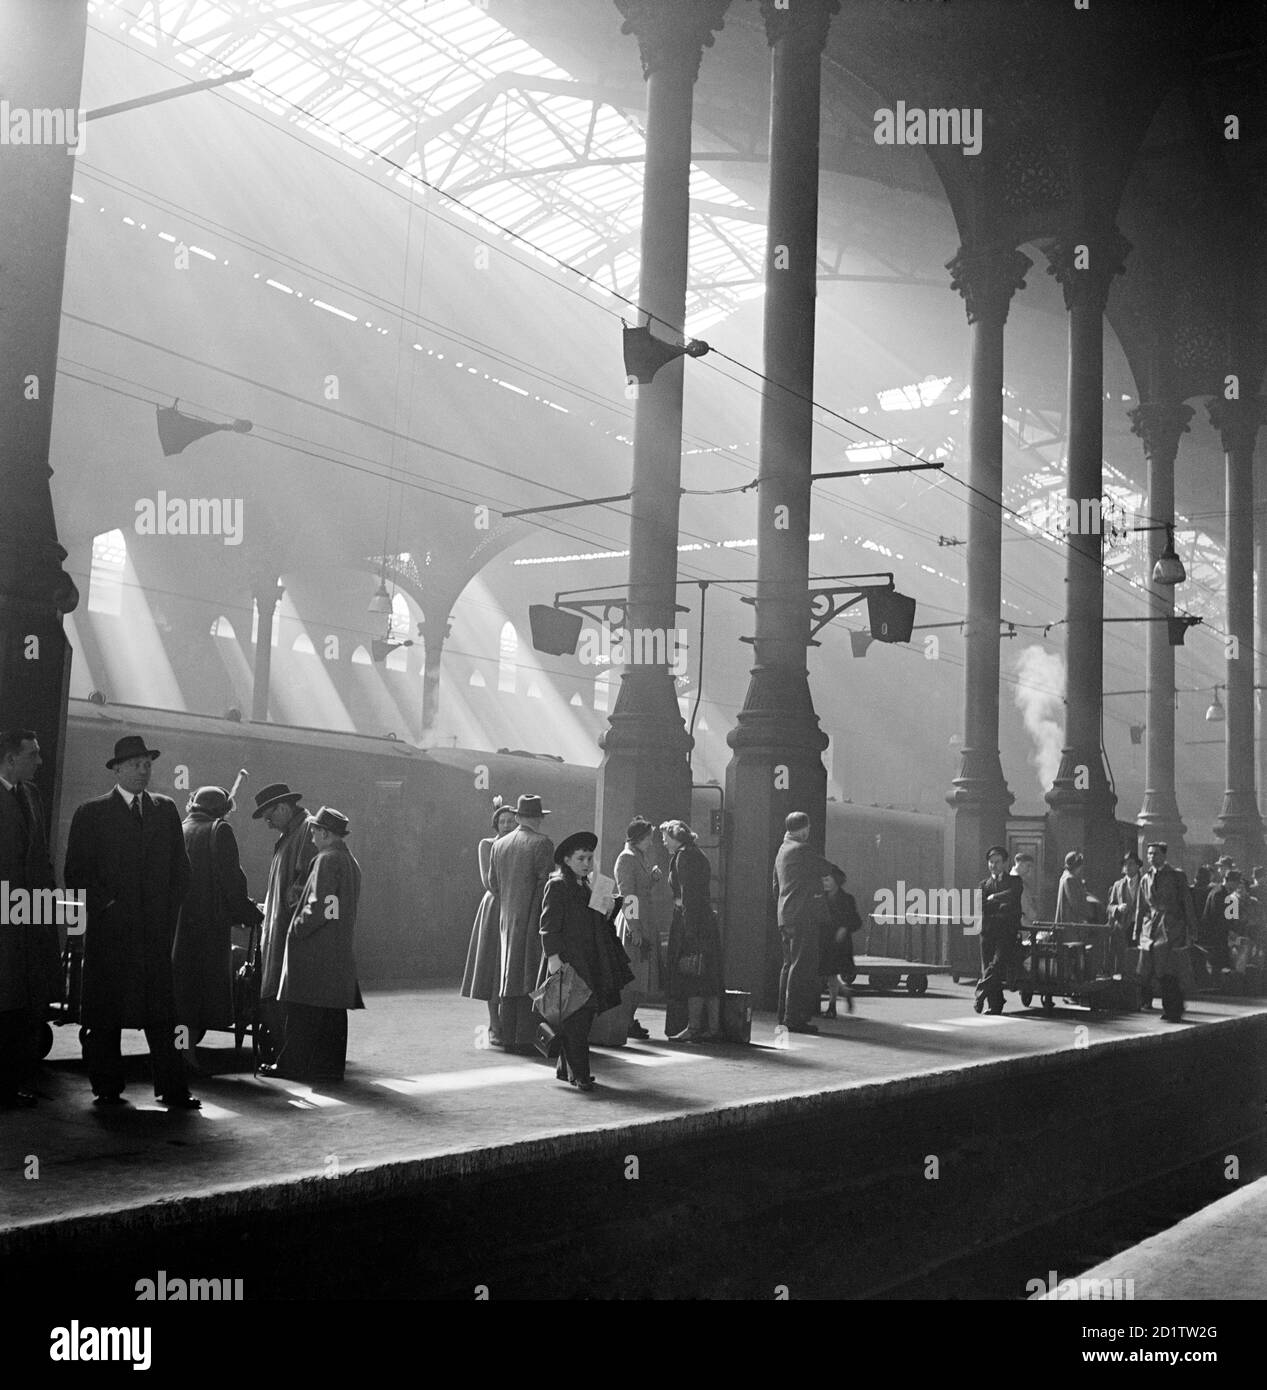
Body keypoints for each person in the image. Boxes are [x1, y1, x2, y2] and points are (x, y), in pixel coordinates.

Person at [63, 734, 198, 1108]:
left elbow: (181, 871)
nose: (144, 770)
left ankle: (174, 1089)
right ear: (118, 768)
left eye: (148, 764)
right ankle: (107, 1089)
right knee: (105, 1015)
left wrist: (165, 913)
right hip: (111, 935)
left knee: (163, 1016)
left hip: (153, 935)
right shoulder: (92, 813)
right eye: (136, 764)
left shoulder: (165, 810)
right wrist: (107, 906)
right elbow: (76, 874)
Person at [264, 807, 364, 1081]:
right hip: (336, 947)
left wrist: (297, 928)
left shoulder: (326, 860)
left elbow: (320, 904)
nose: (311, 838)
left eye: (316, 832)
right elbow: (334, 907)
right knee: (331, 1013)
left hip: (315, 950)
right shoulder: (347, 860)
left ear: (325, 833)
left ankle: (291, 1066)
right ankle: (329, 1068)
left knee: (301, 1012)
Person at [173, 786, 262, 1073]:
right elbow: (231, 881)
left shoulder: (182, 827)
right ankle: (184, 1055)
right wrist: (250, 913)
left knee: (181, 992)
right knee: (198, 994)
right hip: (207, 927)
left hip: (177, 925)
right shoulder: (219, 831)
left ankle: (178, 1050)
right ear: (222, 809)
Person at [540, 831, 633, 1091]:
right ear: (567, 860)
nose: (586, 864)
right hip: (569, 961)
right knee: (576, 1020)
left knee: (578, 1017)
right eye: (581, 858)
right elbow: (547, 926)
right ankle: (581, 1075)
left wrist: (610, 905)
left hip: (587, 960)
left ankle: (566, 1070)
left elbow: (595, 920)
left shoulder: (586, 884)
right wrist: (554, 959)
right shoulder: (557, 885)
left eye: (590, 858)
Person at [0, 729, 61, 1108]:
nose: (39, 761)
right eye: (32, 754)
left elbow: (40, 857)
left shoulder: (32, 796)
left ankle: (11, 1083)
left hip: (30, 916)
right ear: (10, 759)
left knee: (22, 1003)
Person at [253, 782, 316, 1064]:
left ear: (283, 807)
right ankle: (286, 1055)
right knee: (279, 995)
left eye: (269, 817)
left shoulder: (307, 830)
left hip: (291, 931)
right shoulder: (292, 833)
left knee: (289, 997)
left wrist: (286, 911)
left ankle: (291, 1058)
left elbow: (306, 883)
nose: (267, 824)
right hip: (280, 928)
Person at [488, 794, 554, 1051]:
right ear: (538, 818)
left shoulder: (499, 845)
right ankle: (526, 1038)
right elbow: (546, 886)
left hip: (506, 918)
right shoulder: (542, 844)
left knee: (508, 975)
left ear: (517, 817)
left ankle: (507, 1036)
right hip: (533, 918)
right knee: (530, 976)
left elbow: (493, 884)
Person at [460, 800, 519, 1043]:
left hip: (515, 906)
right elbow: (489, 882)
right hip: (495, 907)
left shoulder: (519, 846)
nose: (506, 825)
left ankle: (509, 1023)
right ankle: (494, 1024)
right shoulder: (487, 845)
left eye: (510, 821)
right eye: (501, 821)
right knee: (491, 965)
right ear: (495, 824)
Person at [772, 811, 831, 1035]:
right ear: (805, 828)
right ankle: (794, 1018)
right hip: (802, 915)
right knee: (801, 967)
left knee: (788, 966)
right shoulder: (802, 849)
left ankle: (783, 1015)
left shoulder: (781, 851)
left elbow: (775, 887)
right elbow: (825, 868)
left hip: (785, 915)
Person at [664, 819, 723, 1041]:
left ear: (675, 838)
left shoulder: (682, 857)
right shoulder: (698, 854)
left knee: (692, 974)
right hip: (706, 920)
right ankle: (714, 1028)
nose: (663, 842)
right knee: (709, 974)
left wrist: (688, 929)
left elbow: (687, 894)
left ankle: (694, 1027)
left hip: (690, 921)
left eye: (665, 837)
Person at [613, 816, 668, 1040]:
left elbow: (640, 889)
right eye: (648, 839)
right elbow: (628, 896)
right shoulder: (626, 859)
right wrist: (634, 927)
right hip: (634, 922)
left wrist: (652, 878)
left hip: (645, 919)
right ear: (637, 839)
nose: (651, 843)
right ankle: (624, 1020)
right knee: (633, 975)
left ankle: (628, 1019)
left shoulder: (639, 857)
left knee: (642, 975)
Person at [1135, 841, 1197, 1022]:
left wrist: (1191, 930)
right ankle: (1166, 1007)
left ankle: (1174, 1010)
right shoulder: (1145, 878)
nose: (1152, 857)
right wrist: (1137, 931)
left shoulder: (1177, 876)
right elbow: (1141, 907)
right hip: (1152, 929)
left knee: (1171, 970)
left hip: (1172, 927)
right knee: (1153, 970)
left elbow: (1187, 903)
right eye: (1149, 854)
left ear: (1164, 856)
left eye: (1155, 854)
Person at [974, 845, 1022, 1015]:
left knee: (997, 964)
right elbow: (980, 906)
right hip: (987, 933)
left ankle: (980, 991)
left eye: (997, 862)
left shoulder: (1015, 881)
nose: (993, 865)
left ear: (1005, 863)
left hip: (1006, 933)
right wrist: (1000, 905)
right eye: (991, 862)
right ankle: (995, 1005)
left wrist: (994, 898)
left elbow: (1013, 895)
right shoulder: (983, 884)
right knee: (987, 965)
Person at [818, 863, 859, 1018]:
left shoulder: (847, 899)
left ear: (835, 881)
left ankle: (832, 1006)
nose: (824, 883)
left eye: (827, 880)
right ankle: (845, 993)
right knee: (827, 975)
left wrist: (844, 928)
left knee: (830, 974)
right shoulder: (821, 898)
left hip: (838, 944)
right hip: (825, 941)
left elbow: (856, 921)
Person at [1106, 852, 1143, 978]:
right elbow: (1109, 906)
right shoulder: (1118, 885)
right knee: (1123, 956)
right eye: (1125, 864)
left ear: (1138, 866)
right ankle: (1125, 982)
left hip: (1140, 926)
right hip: (1123, 926)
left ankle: (1138, 982)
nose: (1128, 867)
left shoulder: (1145, 882)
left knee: (1139, 956)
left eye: (1131, 864)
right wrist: (1118, 908)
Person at [1198, 866, 1236, 979]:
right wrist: (1230, 931)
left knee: (1220, 961)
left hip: (1219, 933)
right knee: (1218, 960)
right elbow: (1217, 917)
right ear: (1230, 881)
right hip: (1214, 935)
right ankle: (1217, 982)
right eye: (1236, 883)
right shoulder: (1219, 894)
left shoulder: (1223, 893)